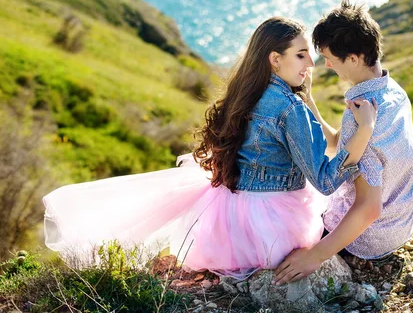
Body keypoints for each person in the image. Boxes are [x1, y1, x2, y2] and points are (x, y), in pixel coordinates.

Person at [43, 16, 377, 280]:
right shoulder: (291, 109)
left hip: (230, 217)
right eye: (301, 54)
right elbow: (326, 181)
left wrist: (307, 98)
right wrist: (365, 129)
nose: (311, 64)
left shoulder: (247, 91)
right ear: (275, 59)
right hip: (272, 227)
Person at [274, 1, 413, 285]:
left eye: (330, 58)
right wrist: (309, 102)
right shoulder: (393, 91)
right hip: (400, 225)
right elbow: (339, 144)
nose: (325, 65)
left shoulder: (360, 113)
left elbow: (368, 207)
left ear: (353, 58)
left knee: (282, 213)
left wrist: (316, 255)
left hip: (369, 238)